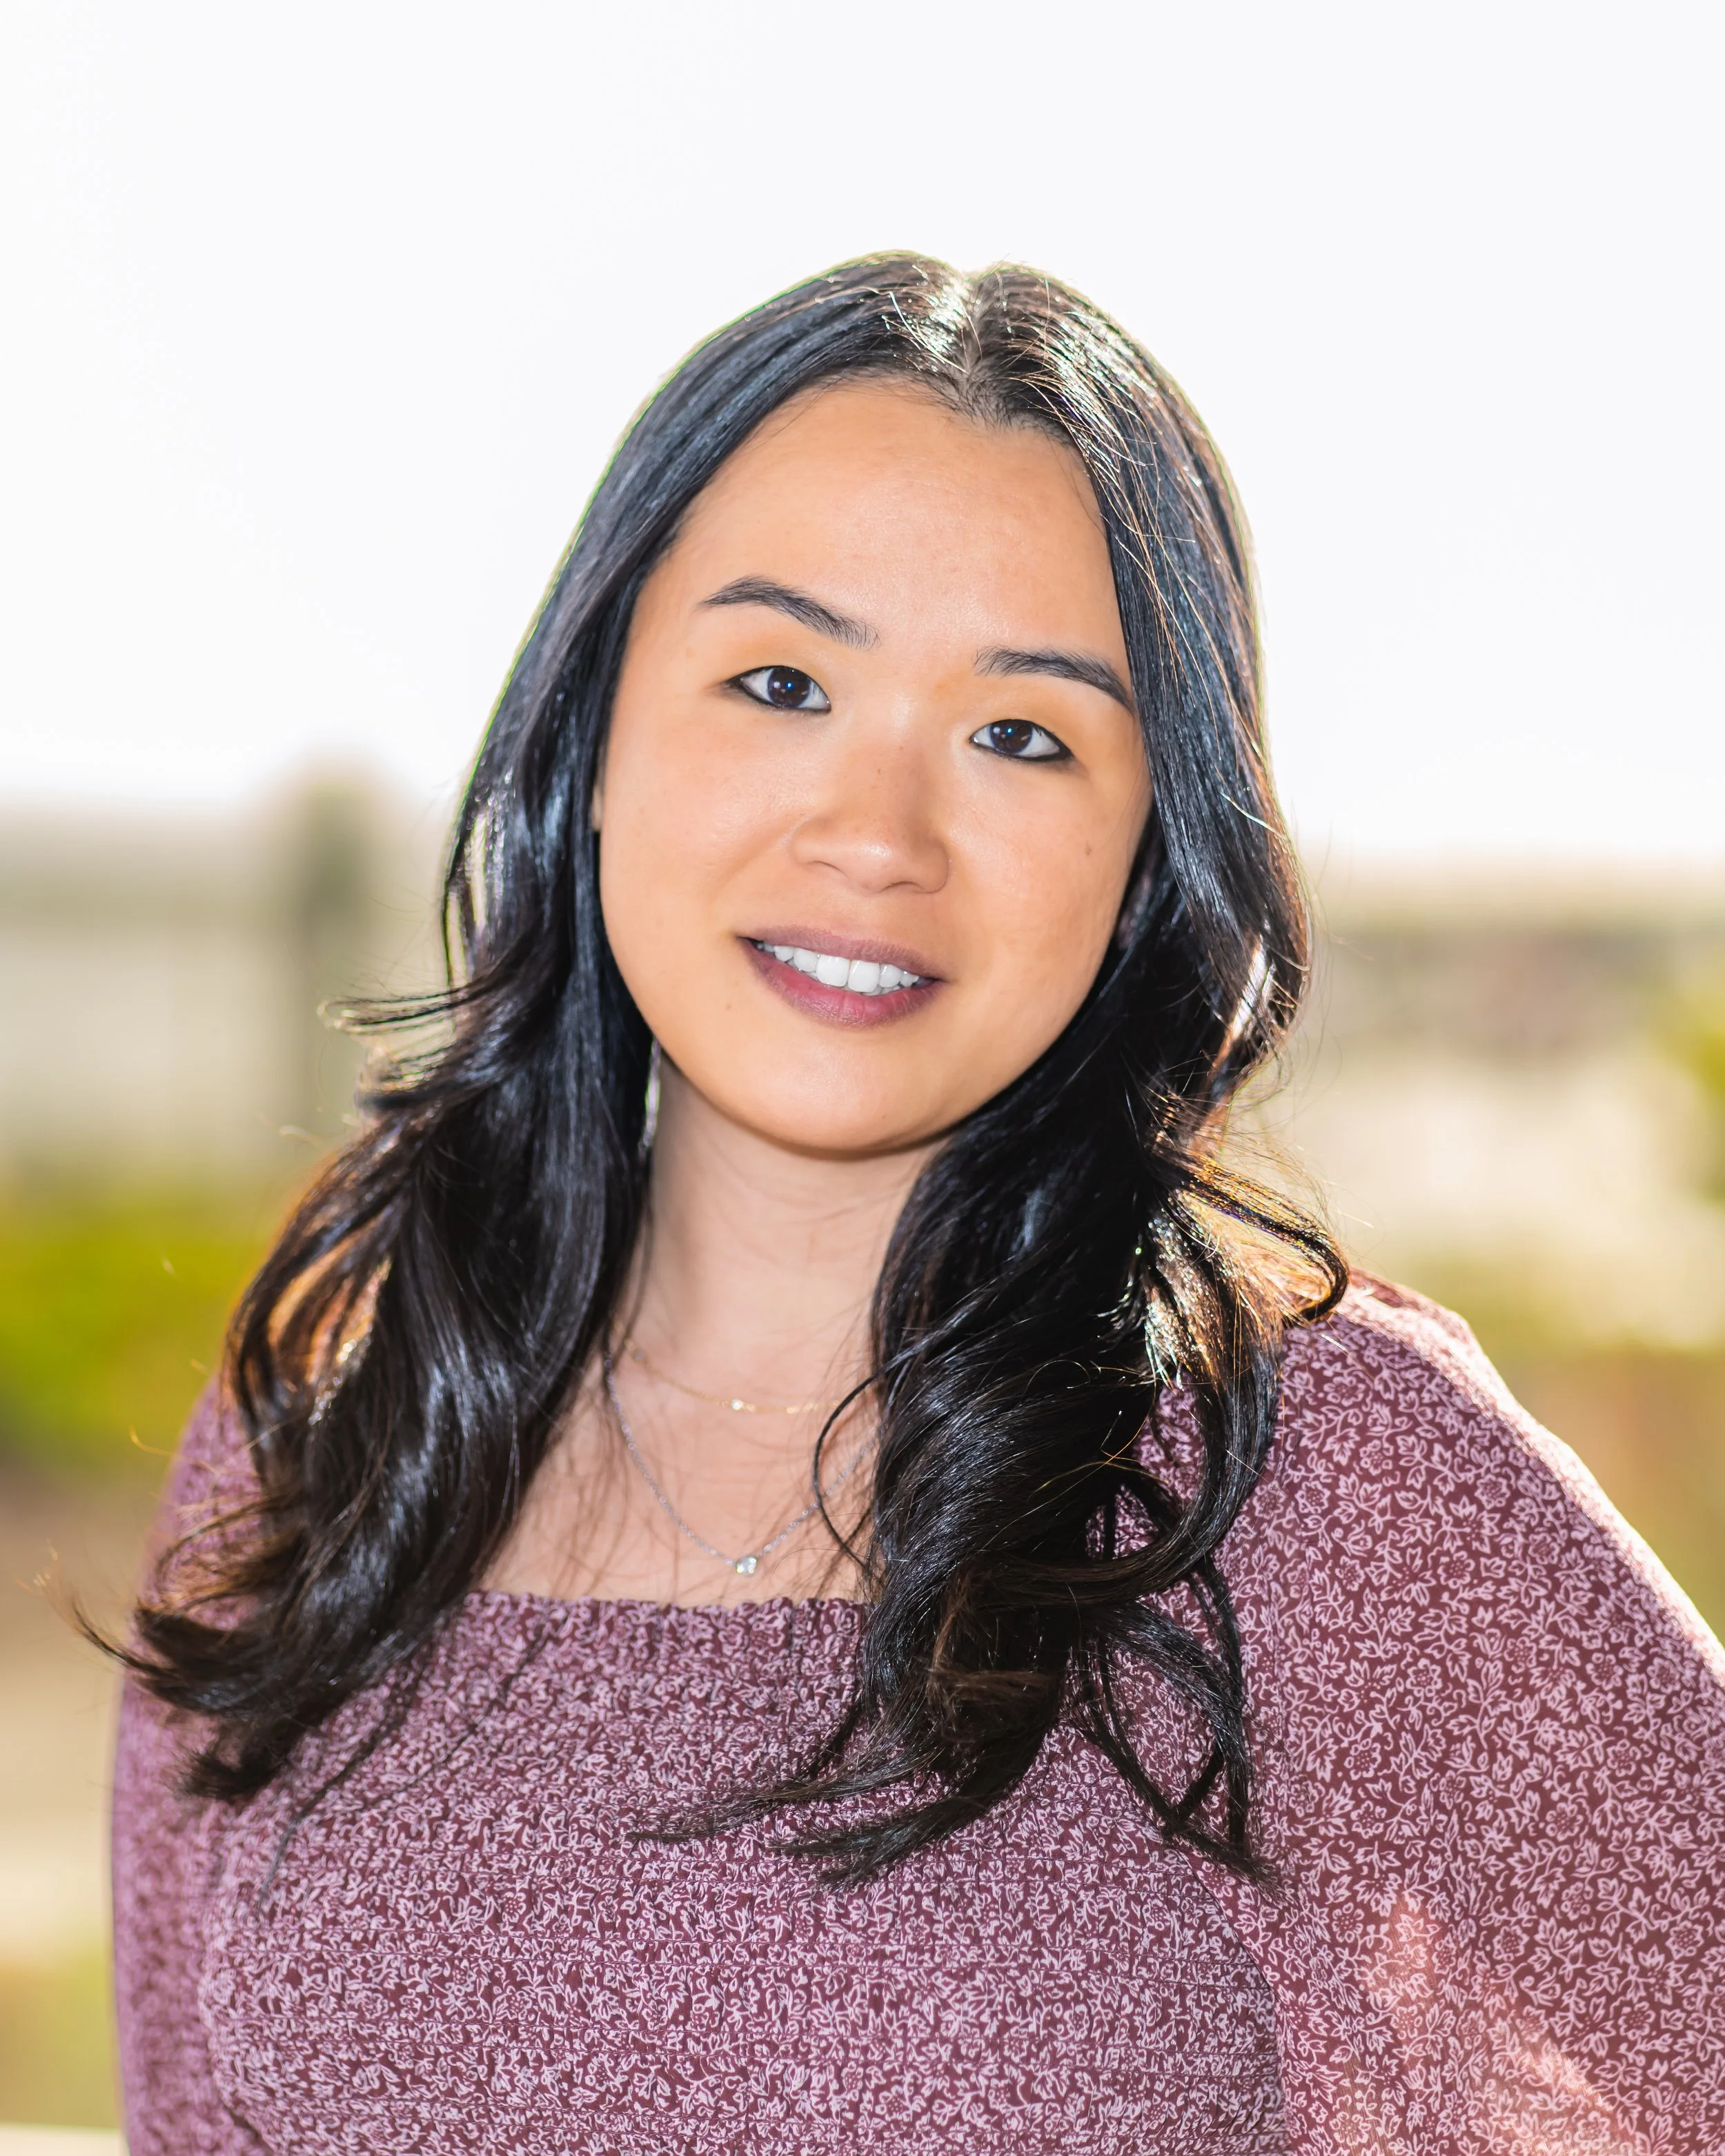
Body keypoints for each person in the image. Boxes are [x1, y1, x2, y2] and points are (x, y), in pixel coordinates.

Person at [111, 256, 1725, 2155]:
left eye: (1021, 734)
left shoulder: (1314, 1467)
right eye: (780, 682)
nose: (876, 834)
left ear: (1143, 853)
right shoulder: (330, 1441)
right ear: (595, 738)